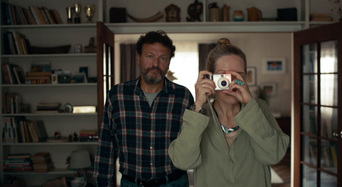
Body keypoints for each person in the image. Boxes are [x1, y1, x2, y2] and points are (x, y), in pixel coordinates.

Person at [168, 38, 290, 187]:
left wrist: (250, 105)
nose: (230, 84)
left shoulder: (259, 108)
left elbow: (274, 155)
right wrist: (198, 105)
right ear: (210, 78)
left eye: (237, 76)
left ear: (245, 78)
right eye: (223, 77)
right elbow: (183, 161)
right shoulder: (200, 114)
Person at [93, 30, 194, 187]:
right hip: (132, 183)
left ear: (169, 62)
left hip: (174, 182)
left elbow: (193, 144)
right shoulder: (117, 95)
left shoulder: (183, 96)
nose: (155, 64)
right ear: (138, 58)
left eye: (163, 58)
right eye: (150, 56)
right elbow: (106, 147)